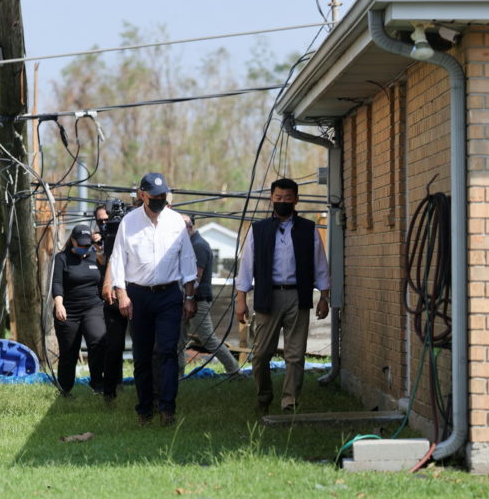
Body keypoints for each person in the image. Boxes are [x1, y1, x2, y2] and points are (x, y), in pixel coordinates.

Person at [235, 178, 330, 415]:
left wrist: (324, 297)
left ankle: (290, 404)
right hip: (268, 297)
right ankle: (263, 398)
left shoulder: (309, 230)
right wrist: (240, 300)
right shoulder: (259, 230)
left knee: (295, 355)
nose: (283, 202)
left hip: (298, 297)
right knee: (260, 355)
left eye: (288, 199)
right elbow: (246, 267)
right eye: (278, 198)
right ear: (271, 198)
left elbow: (320, 266)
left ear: (296, 200)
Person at [109, 173, 198, 426]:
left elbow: (187, 261)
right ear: (142, 195)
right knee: (142, 354)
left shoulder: (175, 222)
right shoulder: (129, 222)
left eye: (163, 196)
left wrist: (190, 296)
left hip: (169, 295)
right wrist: (122, 294)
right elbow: (118, 259)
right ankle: (144, 409)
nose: (159, 200)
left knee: (168, 352)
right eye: (154, 196)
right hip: (138, 296)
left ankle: (167, 408)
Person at [178, 214, 241, 377]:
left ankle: (234, 369)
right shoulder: (189, 244)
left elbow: (196, 278)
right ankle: (177, 376)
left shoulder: (198, 246)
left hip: (197, 300)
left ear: (189, 227)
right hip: (185, 299)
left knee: (207, 338)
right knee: (179, 340)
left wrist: (189, 299)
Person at [52, 224, 107, 396]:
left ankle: (98, 383)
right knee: (69, 351)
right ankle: (65, 389)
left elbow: (106, 273)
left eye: (87, 245)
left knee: (98, 341)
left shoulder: (94, 256)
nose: (84, 248)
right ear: (73, 241)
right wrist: (59, 304)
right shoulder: (61, 258)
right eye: (80, 245)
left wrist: (99, 249)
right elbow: (57, 283)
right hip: (69, 310)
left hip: (93, 307)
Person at [94, 204, 130, 403]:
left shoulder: (132, 232)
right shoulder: (104, 240)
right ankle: (109, 391)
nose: (105, 224)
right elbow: (111, 260)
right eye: (101, 221)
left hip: (134, 295)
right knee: (113, 346)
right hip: (113, 299)